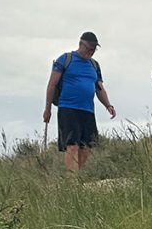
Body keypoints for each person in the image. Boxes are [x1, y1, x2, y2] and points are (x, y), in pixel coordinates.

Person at [43, 31, 116, 171]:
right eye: (89, 48)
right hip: (68, 108)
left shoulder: (94, 65)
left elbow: (99, 89)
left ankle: (78, 175)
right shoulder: (65, 59)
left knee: (87, 146)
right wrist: (48, 109)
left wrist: (108, 105)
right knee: (72, 145)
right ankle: (72, 181)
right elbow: (52, 85)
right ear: (81, 44)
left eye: (94, 49)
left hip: (87, 109)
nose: (91, 51)